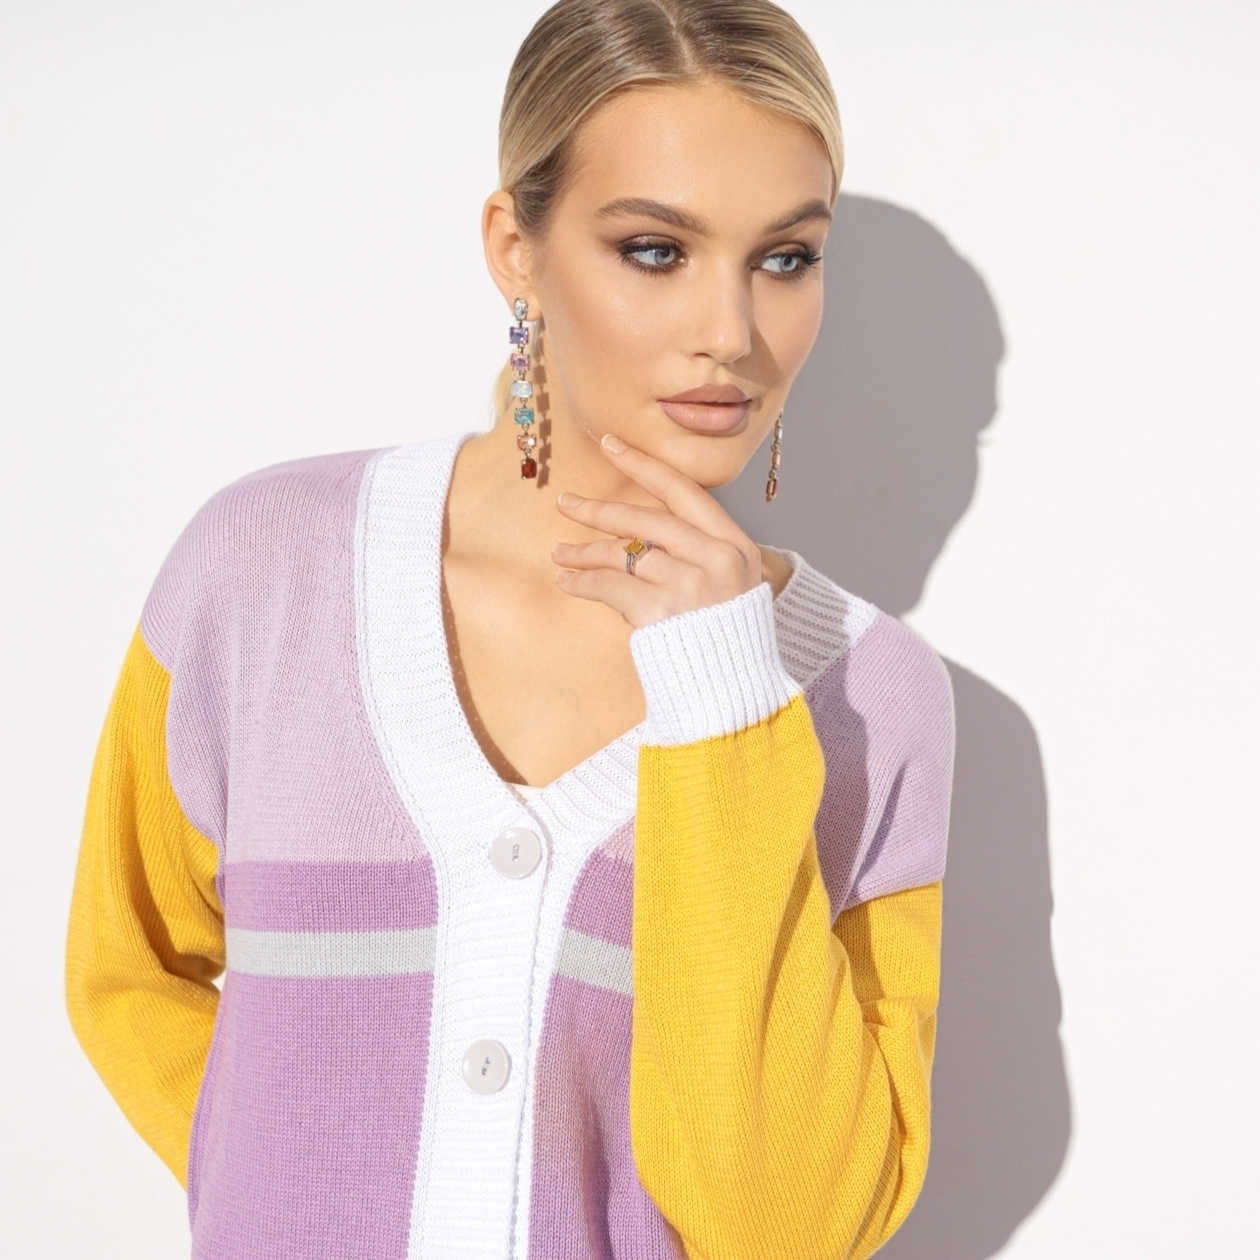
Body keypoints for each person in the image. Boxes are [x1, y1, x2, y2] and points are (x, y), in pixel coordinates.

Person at [65, 1, 955, 1257]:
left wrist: (721, 700)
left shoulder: (873, 699)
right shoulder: (261, 573)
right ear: (516, 250)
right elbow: (127, 972)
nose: (731, 333)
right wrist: (292, 1200)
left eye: (785, 259)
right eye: (656, 250)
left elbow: (792, 1230)